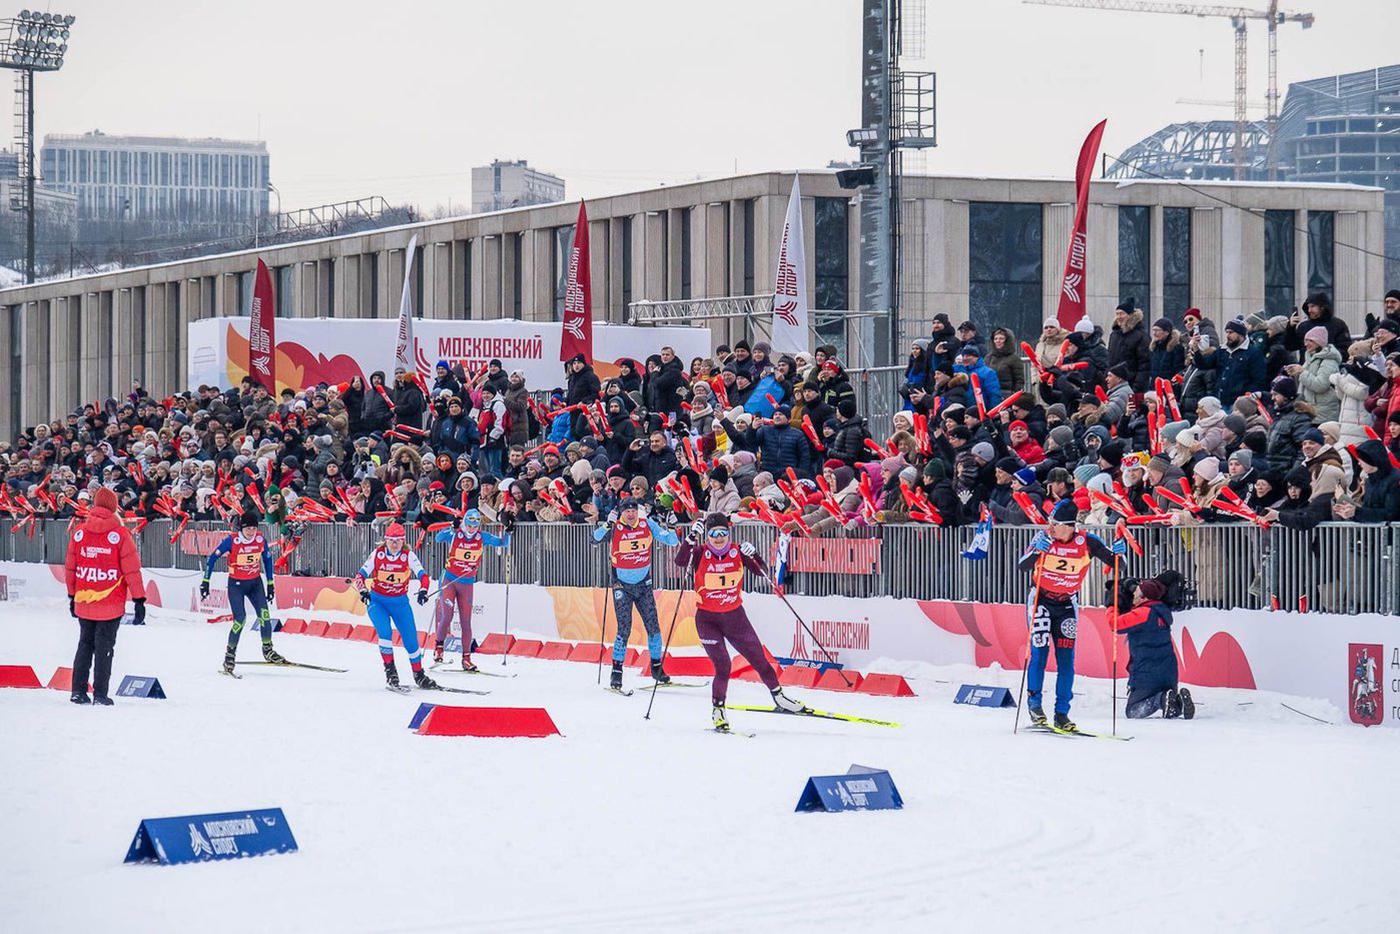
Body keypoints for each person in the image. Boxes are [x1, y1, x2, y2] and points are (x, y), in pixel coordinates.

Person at [673, 512, 806, 732]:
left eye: (723, 533)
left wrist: (755, 555)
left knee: (759, 659)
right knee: (723, 665)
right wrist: (689, 540)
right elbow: (680, 562)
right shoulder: (699, 552)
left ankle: (780, 698)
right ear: (708, 535)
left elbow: (761, 571)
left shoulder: (737, 551)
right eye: (714, 533)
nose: (718, 538)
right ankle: (718, 709)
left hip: (735, 618)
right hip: (707, 620)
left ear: (728, 532)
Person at [1017, 499, 1122, 732]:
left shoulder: (1088, 542)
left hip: (1066, 606)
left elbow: (1117, 564)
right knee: (1039, 653)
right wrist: (1037, 552)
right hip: (1041, 601)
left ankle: (1062, 713)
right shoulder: (1043, 538)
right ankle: (1035, 706)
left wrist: (1120, 551)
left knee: (1066, 661)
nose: (1050, 527)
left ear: (1069, 526)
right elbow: (1022, 566)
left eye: (1055, 523)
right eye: (1050, 522)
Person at [64, 486, 145, 705]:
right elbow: (131, 570)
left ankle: (78, 691)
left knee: (84, 645)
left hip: (84, 599)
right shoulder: (120, 534)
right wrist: (139, 599)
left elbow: (71, 567)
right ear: (113, 507)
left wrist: (72, 595)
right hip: (111, 603)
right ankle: (100, 693)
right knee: (104, 647)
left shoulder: (80, 532)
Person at [591, 499, 680, 691]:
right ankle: (616, 672)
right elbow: (594, 539)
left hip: (644, 585)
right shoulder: (615, 526)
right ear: (621, 512)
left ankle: (656, 667)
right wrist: (607, 524)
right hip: (622, 586)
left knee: (653, 627)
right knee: (624, 629)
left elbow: (672, 541)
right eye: (627, 511)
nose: (631, 514)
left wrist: (672, 526)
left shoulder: (646, 523)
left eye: (633, 511)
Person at [353, 522, 438, 690]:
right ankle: (390, 672)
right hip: (378, 602)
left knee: (411, 641)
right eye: (391, 540)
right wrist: (363, 591)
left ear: (403, 541)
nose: (394, 544)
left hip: (399, 603)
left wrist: (423, 590)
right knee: (385, 633)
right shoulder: (377, 554)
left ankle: (419, 674)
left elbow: (423, 576)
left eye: (398, 540)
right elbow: (359, 576)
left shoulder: (408, 556)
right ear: (385, 540)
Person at [203, 512, 286, 675]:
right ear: (242, 528)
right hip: (237, 585)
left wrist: (270, 583)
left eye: (254, 528)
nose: (251, 532)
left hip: (255, 584)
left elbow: (268, 560)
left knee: (264, 616)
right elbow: (212, 558)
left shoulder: (260, 539)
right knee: (240, 620)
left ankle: (268, 650)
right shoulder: (232, 540)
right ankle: (229, 655)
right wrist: (206, 581)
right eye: (248, 529)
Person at [431, 509, 511, 671]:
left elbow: (503, 543)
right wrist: (451, 528)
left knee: (466, 621)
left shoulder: (483, 537)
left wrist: (508, 530)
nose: (472, 529)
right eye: (469, 525)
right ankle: (439, 649)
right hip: (449, 579)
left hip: (467, 583)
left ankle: (466, 658)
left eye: (475, 526)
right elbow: (438, 538)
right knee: (447, 616)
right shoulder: (456, 534)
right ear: (464, 523)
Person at [1112, 577, 1194, 720]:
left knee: (1132, 711)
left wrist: (1111, 605)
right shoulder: (1161, 610)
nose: (1133, 595)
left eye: (1136, 592)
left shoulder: (1143, 613)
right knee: (1171, 707)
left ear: (1144, 598)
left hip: (1147, 673)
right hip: (1169, 671)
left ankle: (1160, 700)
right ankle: (1179, 701)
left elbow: (1116, 625)